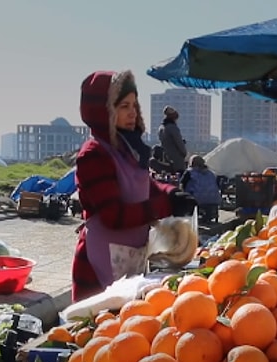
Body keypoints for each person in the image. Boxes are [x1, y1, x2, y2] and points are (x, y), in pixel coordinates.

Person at [72, 70, 196, 302]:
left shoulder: (127, 149)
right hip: (99, 265)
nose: (133, 113)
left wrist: (172, 193)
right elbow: (114, 215)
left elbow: (144, 186)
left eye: (134, 105)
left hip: (131, 257)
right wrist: (165, 205)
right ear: (103, 111)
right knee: (101, 330)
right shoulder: (94, 154)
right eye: (123, 106)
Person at [180, 155, 221, 224]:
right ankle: (208, 215)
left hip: (197, 199)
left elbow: (182, 184)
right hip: (214, 198)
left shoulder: (189, 172)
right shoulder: (211, 173)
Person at [158, 106, 188, 173]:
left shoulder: (161, 128)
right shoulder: (172, 128)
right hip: (177, 161)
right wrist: (184, 153)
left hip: (166, 159)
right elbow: (179, 143)